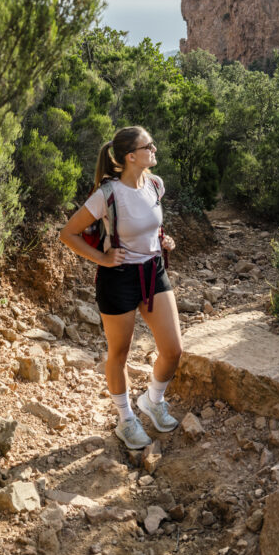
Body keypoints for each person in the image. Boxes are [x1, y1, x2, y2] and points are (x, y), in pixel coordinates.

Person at [60, 126, 182, 449]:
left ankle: (153, 400)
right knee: (120, 354)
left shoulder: (156, 185)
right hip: (118, 278)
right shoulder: (107, 194)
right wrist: (102, 257)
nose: (155, 148)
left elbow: (149, 224)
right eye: (148, 145)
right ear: (131, 156)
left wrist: (163, 240)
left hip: (153, 271)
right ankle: (125, 419)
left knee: (173, 350)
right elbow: (67, 234)